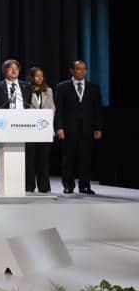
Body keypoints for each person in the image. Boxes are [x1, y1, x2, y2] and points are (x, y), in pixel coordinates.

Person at [54, 60, 103, 195]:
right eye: (78, 69)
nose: (81, 71)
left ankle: (84, 185)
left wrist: (98, 128)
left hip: (87, 129)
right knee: (68, 158)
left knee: (86, 158)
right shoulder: (62, 86)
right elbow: (59, 109)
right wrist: (59, 127)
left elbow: (97, 110)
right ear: (72, 71)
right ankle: (68, 185)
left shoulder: (93, 88)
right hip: (69, 129)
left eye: (84, 69)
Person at [26, 66, 55, 194]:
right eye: (37, 76)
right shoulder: (26, 90)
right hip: (30, 129)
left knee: (43, 159)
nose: (40, 78)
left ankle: (44, 186)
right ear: (32, 77)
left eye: (41, 76)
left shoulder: (48, 90)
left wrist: (47, 120)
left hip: (44, 128)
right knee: (30, 158)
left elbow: (52, 108)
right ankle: (29, 185)